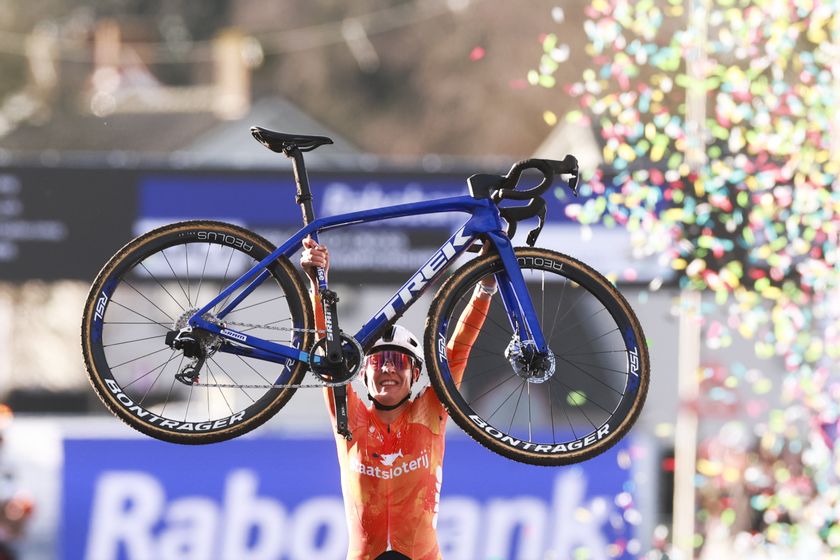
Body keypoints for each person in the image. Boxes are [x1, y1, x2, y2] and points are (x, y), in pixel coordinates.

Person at [301, 238, 495, 560]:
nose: (388, 368)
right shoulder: (350, 419)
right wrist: (316, 283)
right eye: (378, 361)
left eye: (399, 361)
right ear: (362, 374)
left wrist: (485, 286)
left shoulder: (432, 410)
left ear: (416, 374)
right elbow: (326, 351)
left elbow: (458, 349)